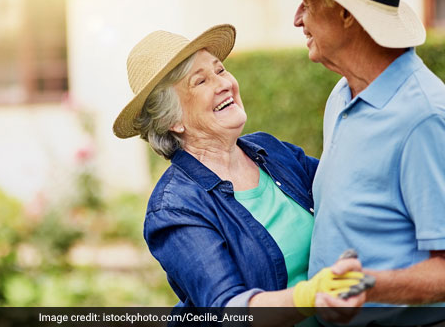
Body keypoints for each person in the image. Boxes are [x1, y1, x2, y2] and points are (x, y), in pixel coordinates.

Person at [274, 0, 445, 324]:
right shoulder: (341, 95)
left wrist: (366, 286)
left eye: (307, 4)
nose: (297, 20)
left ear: (347, 14)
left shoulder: (423, 119)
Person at [113, 24, 367, 325]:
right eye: (201, 81)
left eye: (220, 71)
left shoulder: (271, 151)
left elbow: (348, 188)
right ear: (174, 120)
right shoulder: (173, 208)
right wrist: (308, 297)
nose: (223, 84)